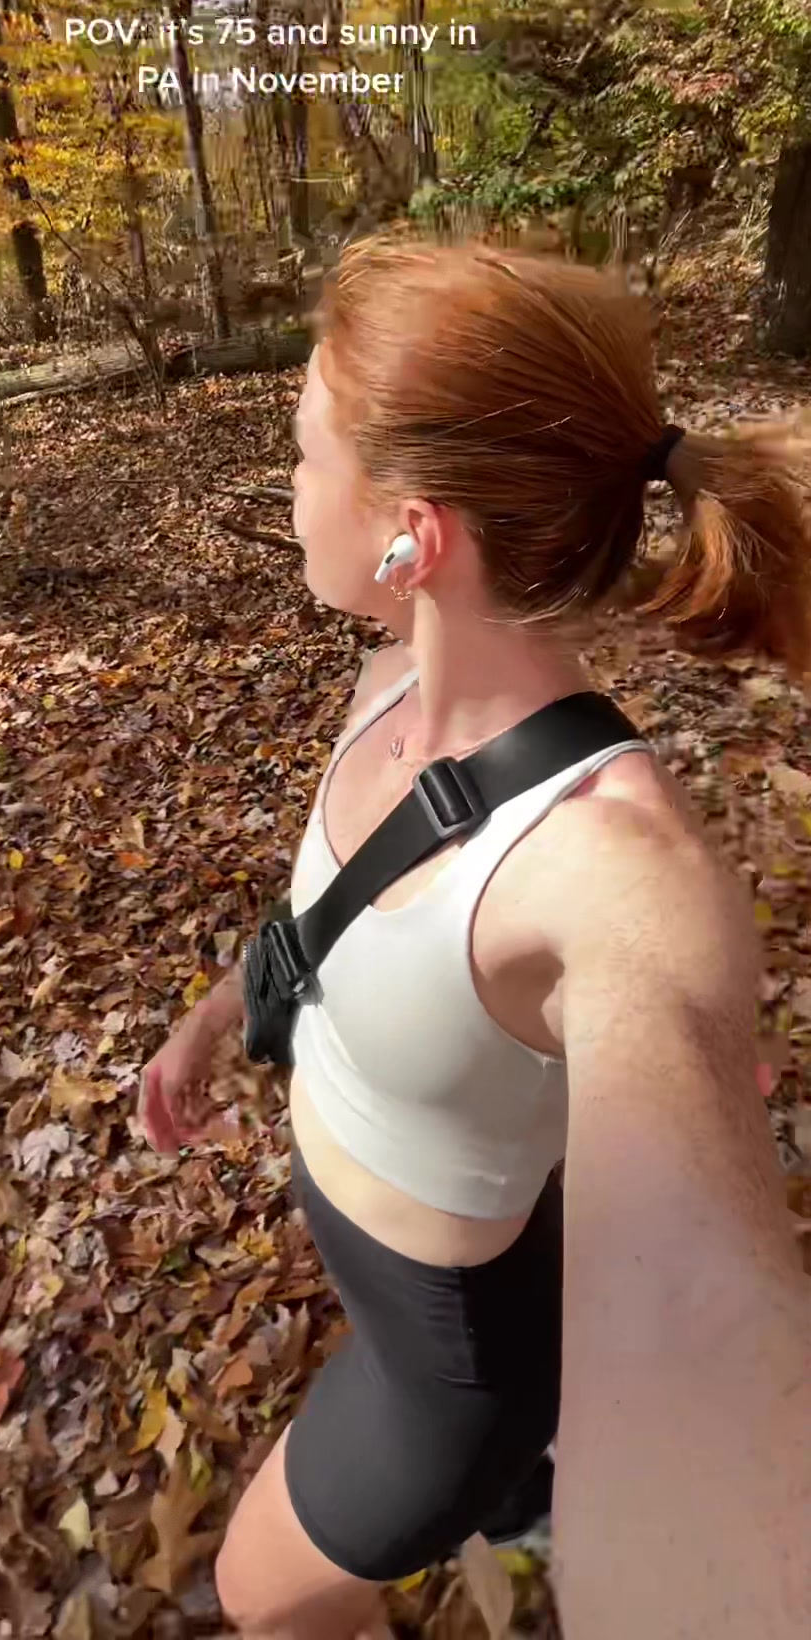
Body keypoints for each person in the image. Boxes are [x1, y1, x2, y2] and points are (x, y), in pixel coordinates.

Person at [137, 234, 811, 1640]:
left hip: (441, 1379)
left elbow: (707, 1327)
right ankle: (529, 1490)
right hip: (437, 1271)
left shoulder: (609, 868)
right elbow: (335, 902)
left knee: (257, 1597)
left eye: (304, 455)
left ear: (414, 535)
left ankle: (517, 1474)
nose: (288, 490)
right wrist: (217, 1014)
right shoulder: (391, 683)